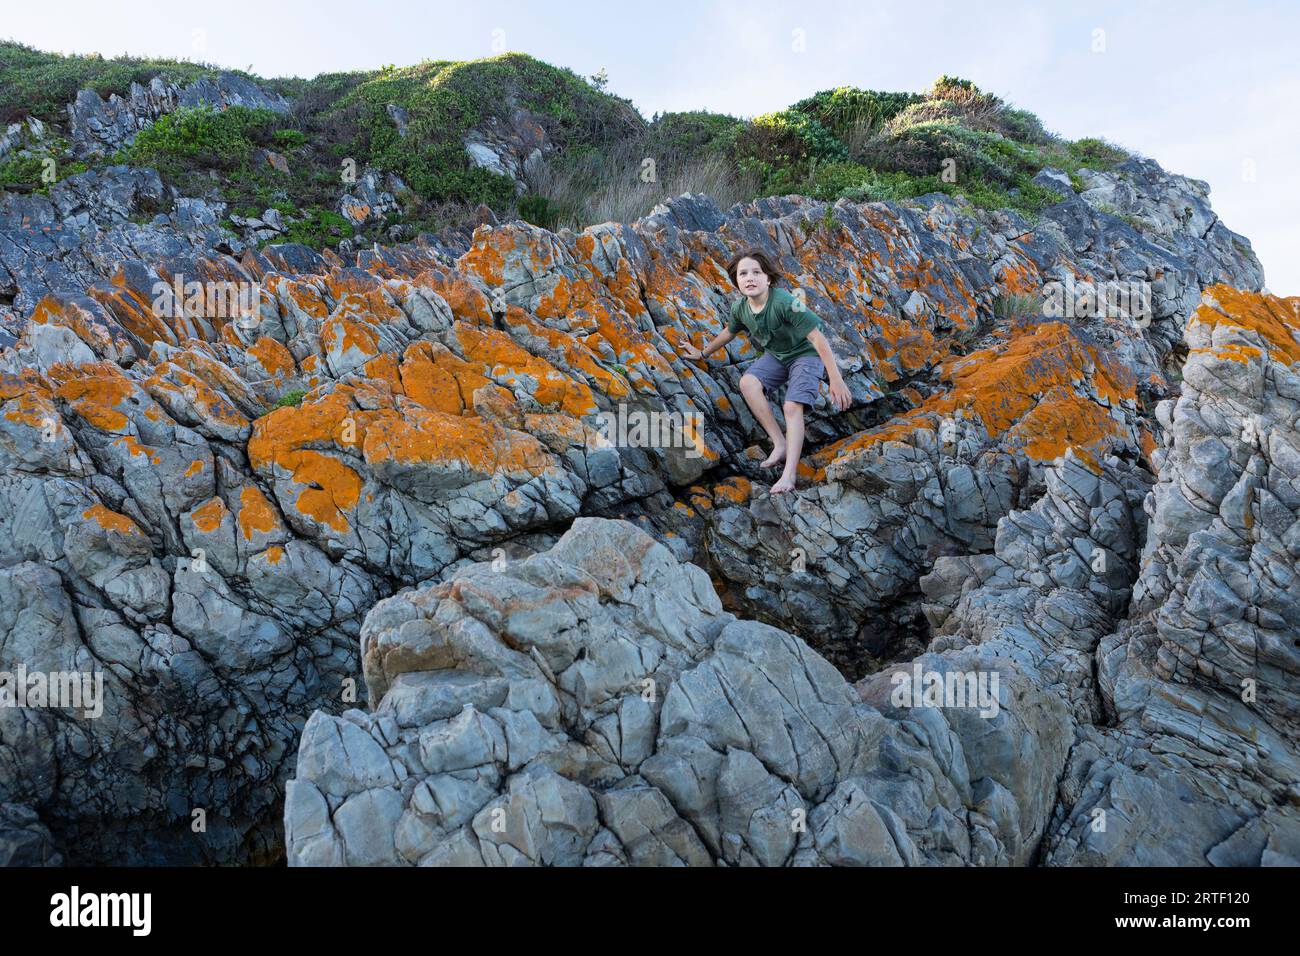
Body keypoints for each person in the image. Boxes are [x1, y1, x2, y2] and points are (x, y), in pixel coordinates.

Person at [678, 249, 852, 494]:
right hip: (778, 355)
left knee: (792, 407)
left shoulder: (786, 302)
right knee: (748, 383)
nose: (749, 278)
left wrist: (836, 379)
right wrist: (702, 353)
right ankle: (779, 442)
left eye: (756, 272)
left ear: (768, 278)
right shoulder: (740, 308)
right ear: (736, 282)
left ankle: (788, 475)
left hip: (806, 353)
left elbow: (818, 338)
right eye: (743, 274)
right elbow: (729, 332)